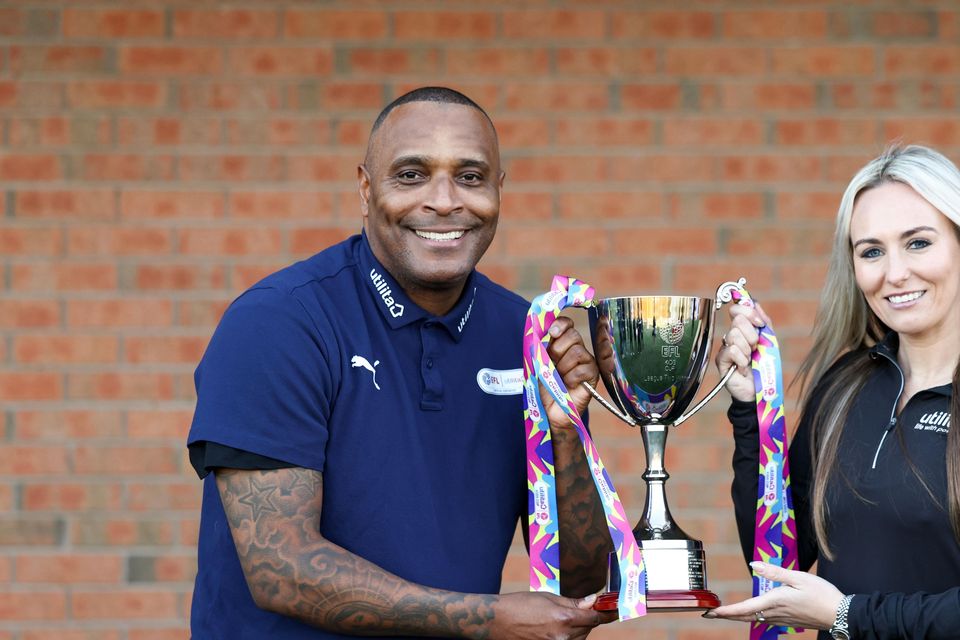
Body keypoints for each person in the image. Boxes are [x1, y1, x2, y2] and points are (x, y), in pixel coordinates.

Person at [186, 86, 616, 639]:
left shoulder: (525, 336)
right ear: (366, 189)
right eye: (412, 175)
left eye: (470, 176)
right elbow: (280, 568)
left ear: (499, 191)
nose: (444, 200)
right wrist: (485, 620)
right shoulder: (279, 323)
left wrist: (566, 433)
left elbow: (581, 583)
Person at [707, 144, 960, 639]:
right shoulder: (846, 387)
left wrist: (849, 616)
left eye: (918, 243)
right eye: (871, 251)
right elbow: (778, 559)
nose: (895, 273)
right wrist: (749, 411)